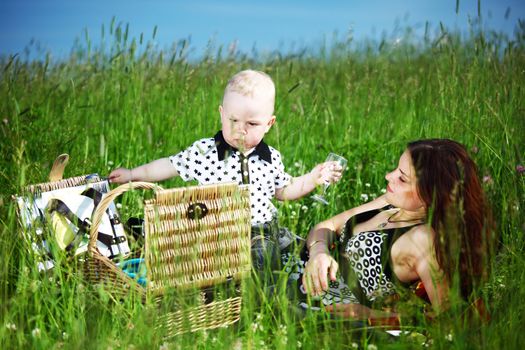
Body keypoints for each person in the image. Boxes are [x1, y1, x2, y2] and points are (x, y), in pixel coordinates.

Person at [109, 69, 343, 278]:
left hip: (259, 231)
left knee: (277, 255)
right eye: (233, 120)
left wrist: (313, 178)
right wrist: (132, 174)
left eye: (251, 124)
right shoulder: (205, 150)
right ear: (222, 114)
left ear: (269, 124)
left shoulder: (270, 156)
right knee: (171, 240)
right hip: (216, 231)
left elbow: (284, 190)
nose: (240, 129)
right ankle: (227, 284)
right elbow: (168, 165)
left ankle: (266, 290)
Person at [285, 139, 493, 322]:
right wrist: (319, 253)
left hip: (320, 304)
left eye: (402, 178)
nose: (388, 176)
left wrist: (372, 316)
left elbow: (451, 318)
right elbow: (326, 226)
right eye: (396, 169)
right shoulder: (391, 203)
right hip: (301, 264)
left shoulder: (422, 239)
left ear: (431, 195)